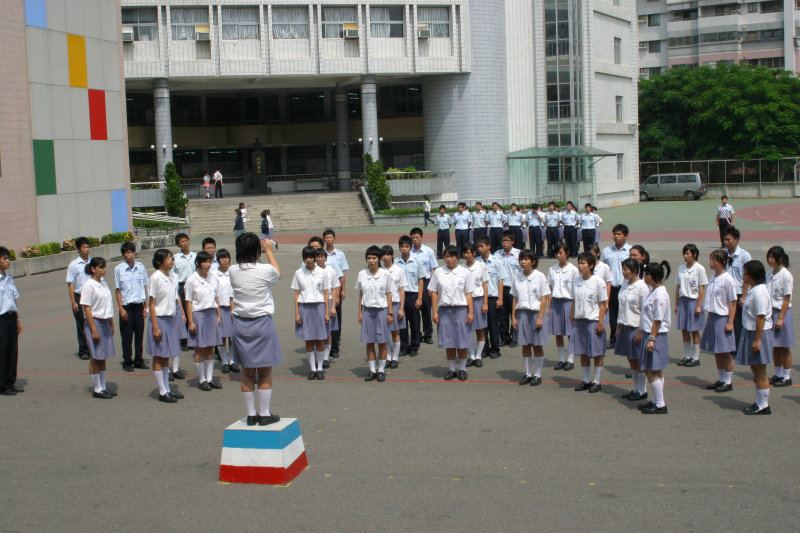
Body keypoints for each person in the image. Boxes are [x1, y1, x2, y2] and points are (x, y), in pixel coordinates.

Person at [229, 233, 282, 426]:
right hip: (261, 323)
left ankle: (251, 414)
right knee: (265, 371)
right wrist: (268, 250)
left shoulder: (234, 271)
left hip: (241, 324)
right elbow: (278, 273)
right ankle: (265, 413)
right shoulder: (264, 270)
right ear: (257, 251)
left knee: (247, 372)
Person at [146, 249, 186, 403]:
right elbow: (152, 303)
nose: (171, 260)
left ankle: (167, 388)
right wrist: (155, 327)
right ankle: (162, 391)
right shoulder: (155, 278)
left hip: (171, 319)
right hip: (160, 320)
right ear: (159, 261)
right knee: (159, 355)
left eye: (172, 258)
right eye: (168, 258)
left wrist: (181, 314)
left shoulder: (174, 276)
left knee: (166, 356)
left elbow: (176, 299)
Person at [429, 245, 474, 380]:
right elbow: (434, 293)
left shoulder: (465, 273)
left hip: (461, 310)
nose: (448, 259)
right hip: (445, 311)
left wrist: (470, 312)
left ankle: (462, 368)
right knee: (449, 342)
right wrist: (435, 311)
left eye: (451, 256)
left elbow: (468, 294)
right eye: (446, 256)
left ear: (457, 258)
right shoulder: (438, 272)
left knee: (461, 341)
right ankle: (451, 369)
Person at [736, 260, 774, 415]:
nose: (743, 275)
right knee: (755, 368)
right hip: (751, 331)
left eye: (745, 273)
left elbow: (760, 317)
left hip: (758, 333)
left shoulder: (759, 292)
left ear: (751, 275)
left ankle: (763, 405)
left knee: (760, 371)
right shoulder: (754, 289)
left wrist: (757, 340)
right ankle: (759, 401)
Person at [636, 261, 672, 414]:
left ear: (651, 276)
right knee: (656, 370)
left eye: (646, 274)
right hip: (650, 333)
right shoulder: (653, 291)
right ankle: (657, 400)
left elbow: (658, 319)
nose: (644, 277)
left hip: (655, 335)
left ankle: (660, 404)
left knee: (650, 370)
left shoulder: (660, 294)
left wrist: (651, 338)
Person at [700, 250, 738, 393]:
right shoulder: (713, 276)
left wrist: (730, 322)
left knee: (725, 351)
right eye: (710, 259)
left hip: (722, 318)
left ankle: (728, 381)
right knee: (717, 351)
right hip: (712, 316)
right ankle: (721, 378)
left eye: (714, 260)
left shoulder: (728, 279)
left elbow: (732, 302)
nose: (711, 262)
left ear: (722, 262)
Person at [511, 249, 551, 386]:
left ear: (533, 262)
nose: (522, 262)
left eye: (526, 259)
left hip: (535, 314)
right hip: (522, 314)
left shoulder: (540, 276)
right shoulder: (517, 276)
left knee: (537, 345)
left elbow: (544, 297)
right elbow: (515, 297)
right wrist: (514, 317)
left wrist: (540, 317)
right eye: (521, 259)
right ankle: (528, 373)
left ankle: (537, 374)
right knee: (525, 345)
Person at [570, 252, 608, 392]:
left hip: (593, 321)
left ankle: (597, 381)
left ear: (591, 265)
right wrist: (572, 316)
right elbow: (574, 300)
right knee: (583, 352)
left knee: (597, 353)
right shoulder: (576, 281)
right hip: (579, 321)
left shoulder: (598, 281)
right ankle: (586, 380)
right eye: (579, 263)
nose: (580, 266)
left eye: (583, 263)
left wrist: (600, 323)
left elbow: (603, 304)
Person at [185, 251, 223, 391]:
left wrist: (218, 315)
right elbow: (188, 302)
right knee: (199, 349)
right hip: (198, 315)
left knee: (210, 348)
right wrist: (191, 321)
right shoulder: (192, 280)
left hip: (211, 314)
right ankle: (201, 379)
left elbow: (216, 297)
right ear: (197, 263)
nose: (208, 265)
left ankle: (209, 378)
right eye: (205, 262)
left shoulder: (213, 277)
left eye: (210, 261)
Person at [292, 246, 331, 381]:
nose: (308, 260)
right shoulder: (298, 273)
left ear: (315, 257)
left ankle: (320, 368)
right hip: (304, 307)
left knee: (320, 339)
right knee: (308, 340)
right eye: (306, 257)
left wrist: (326, 311)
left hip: (319, 307)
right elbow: (296, 294)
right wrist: (297, 313)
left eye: (310, 257)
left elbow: (326, 293)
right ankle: (312, 369)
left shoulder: (322, 272)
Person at [356, 246, 394, 382]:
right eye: (369, 258)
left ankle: (381, 370)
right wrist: (359, 312)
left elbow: (389, 294)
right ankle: (372, 370)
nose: (371, 261)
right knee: (369, 342)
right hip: (367, 311)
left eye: (374, 258)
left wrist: (390, 313)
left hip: (382, 311)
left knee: (382, 341)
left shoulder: (385, 274)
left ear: (378, 259)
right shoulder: (362, 274)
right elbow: (361, 293)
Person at [615, 258, 651, 401]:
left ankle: (642, 390)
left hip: (636, 327)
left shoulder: (642, 287)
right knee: (631, 359)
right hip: (625, 325)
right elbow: (621, 307)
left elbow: (645, 312)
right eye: (622, 269)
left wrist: (641, 332)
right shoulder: (625, 285)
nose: (623, 272)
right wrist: (618, 327)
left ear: (635, 271)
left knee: (639, 359)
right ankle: (635, 388)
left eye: (626, 269)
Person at [80, 257, 116, 399]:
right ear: (93, 269)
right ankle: (97, 388)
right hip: (95, 322)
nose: (104, 270)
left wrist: (111, 323)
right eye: (101, 267)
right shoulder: (88, 285)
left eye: (104, 267)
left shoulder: (104, 283)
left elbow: (108, 305)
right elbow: (87, 309)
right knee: (95, 356)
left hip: (105, 321)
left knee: (103, 356)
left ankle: (103, 386)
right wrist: (93, 329)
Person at [114, 241, 149, 373]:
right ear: (123, 255)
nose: (130, 255)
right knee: (127, 336)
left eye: (131, 252)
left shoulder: (141, 267)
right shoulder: (119, 269)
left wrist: (145, 306)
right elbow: (118, 290)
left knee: (139, 335)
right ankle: (127, 361)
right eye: (127, 253)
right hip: (127, 307)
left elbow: (145, 286)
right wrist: (121, 309)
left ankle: (139, 360)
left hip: (139, 306)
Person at [476, 235, 509, 360]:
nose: (479, 249)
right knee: (482, 325)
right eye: (478, 246)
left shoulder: (497, 262)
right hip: (479, 298)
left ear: (488, 246)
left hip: (492, 298)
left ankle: (495, 348)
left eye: (482, 246)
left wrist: (500, 298)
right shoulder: (476, 262)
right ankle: (484, 348)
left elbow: (501, 281)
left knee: (494, 325)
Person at [675, 244, 708, 367]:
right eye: (684, 253)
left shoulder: (699, 268)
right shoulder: (680, 268)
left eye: (688, 253)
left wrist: (699, 305)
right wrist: (676, 304)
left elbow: (702, 287)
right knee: (684, 329)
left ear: (694, 254)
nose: (685, 256)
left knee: (694, 330)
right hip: (683, 300)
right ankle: (687, 355)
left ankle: (695, 357)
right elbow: (678, 287)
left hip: (693, 301)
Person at [600, 223, 631, 349]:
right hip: (612, 287)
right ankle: (614, 337)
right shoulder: (607, 251)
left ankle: (625, 336)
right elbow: (601, 269)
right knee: (612, 313)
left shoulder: (630, 251)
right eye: (614, 234)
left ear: (625, 236)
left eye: (619, 234)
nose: (616, 236)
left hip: (626, 286)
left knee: (625, 312)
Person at [548, 244, 578, 371]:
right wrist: (549, 307)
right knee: (558, 332)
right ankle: (561, 359)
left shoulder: (573, 270)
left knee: (570, 332)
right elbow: (549, 289)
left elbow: (576, 290)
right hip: (556, 303)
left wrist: (574, 308)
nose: (558, 255)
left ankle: (570, 359)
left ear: (567, 253)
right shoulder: (552, 270)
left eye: (560, 252)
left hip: (568, 302)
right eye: (557, 253)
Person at [766, 246, 793, 387]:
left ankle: (787, 376)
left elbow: (786, 299)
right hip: (771, 313)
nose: (769, 260)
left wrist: (781, 317)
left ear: (780, 259)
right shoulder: (769, 274)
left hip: (782, 312)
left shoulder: (786, 275)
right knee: (775, 346)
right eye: (768, 257)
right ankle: (778, 374)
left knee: (784, 347)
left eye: (772, 257)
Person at [395, 236, 425, 357]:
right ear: (399, 248)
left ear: (410, 247)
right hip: (400, 296)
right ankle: (404, 346)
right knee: (402, 323)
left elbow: (421, 280)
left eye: (407, 246)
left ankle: (414, 346)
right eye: (402, 246)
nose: (404, 249)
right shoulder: (396, 262)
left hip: (413, 295)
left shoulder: (416, 261)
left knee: (415, 322)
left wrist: (420, 297)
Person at [723, 226, 751, 348]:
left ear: (736, 240)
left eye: (728, 239)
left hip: (739, 293)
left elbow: (747, 278)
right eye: (725, 239)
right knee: (726, 318)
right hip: (725, 293)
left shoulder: (744, 256)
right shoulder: (723, 255)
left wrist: (744, 296)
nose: (726, 242)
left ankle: (738, 346)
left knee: (738, 321)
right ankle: (728, 344)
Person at [322, 229, 349, 357]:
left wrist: (343, 289)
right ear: (324, 239)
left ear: (334, 239)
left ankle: (335, 344)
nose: (329, 239)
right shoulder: (320, 254)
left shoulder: (339, 254)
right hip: (322, 293)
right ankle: (327, 344)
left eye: (330, 237)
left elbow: (342, 273)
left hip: (335, 290)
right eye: (326, 237)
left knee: (336, 317)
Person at [0, 247, 23, 396]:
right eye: (5, 258)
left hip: (11, 318)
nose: (8, 261)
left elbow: (13, 300)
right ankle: (2, 385)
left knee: (13, 351)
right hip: (1, 319)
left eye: (8, 258)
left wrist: (18, 319)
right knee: (2, 351)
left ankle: (11, 382)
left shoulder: (10, 278)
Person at [462, 242, 489, 367]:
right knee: (468, 330)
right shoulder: (461, 268)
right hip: (465, 302)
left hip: (478, 300)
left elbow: (485, 285)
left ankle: (478, 356)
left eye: (468, 252)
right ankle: (471, 355)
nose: (466, 255)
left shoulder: (481, 266)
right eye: (464, 253)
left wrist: (485, 303)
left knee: (480, 329)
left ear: (473, 253)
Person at [66, 236, 92, 360]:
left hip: (92, 296)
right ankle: (83, 350)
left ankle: (93, 347)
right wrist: (73, 302)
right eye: (84, 247)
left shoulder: (94, 263)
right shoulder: (74, 265)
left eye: (88, 247)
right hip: (79, 296)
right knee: (81, 323)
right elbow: (70, 284)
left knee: (93, 322)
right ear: (78, 249)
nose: (86, 249)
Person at [410, 227, 437, 345]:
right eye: (413, 238)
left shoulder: (428, 251)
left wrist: (431, 286)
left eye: (417, 238)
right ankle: (417, 334)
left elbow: (433, 268)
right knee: (414, 311)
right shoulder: (408, 251)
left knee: (426, 309)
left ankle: (428, 334)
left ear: (422, 238)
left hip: (426, 282)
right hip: (413, 283)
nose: (415, 240)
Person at [381, 245, 407, 369]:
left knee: (395, 332)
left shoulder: (398, 270)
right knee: (385, 333)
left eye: (388, 254)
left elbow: (401, 290)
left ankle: (395, 358)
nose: (385, 257)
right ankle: (387, 357)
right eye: (383, 255)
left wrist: (401, 308)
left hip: (396, 304)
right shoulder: (379, 270)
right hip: (383, 305)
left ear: (392, 256)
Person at [315, 248, 340, 369]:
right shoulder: (312, 271)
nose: (319, 259)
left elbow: (335, 288)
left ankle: (326, 356)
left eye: (321, 256)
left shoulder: (331, 271)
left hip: (329, 300)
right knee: (318, 331)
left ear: (325, 257)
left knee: (328, 331)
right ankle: (318, 355)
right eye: (317, 257)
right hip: (316, 301)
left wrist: (334, 306)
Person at [215, 249, 239, 374]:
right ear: (218, 260)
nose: (224, 260)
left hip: (235, 307)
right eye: (221, 258)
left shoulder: (234, 272)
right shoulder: (214, 274)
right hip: (221, 308)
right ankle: (224, 361)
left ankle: (233, 361)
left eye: (226, 257)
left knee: (233, 337)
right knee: (223, 337)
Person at [495, 230, 521, 347]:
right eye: (503, 241)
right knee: (502, 314)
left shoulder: (518, 254)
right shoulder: (497, 255)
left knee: (515, 313)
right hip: (501, 288)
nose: (505, 243)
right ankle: (504, 337)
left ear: (512, 242)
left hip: (514, 288)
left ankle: (515, 337)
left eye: (507, 241)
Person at [172, 232, 195, 358]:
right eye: (182, 242)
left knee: (193, 311)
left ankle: (193, 338)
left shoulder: (195, 256)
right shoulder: (175, 258)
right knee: (183, 313)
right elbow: (173, 275)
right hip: (181, 286)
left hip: (193, 286)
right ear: (178, 244)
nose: (185, 243)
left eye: (186, 241)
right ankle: (184, 339)